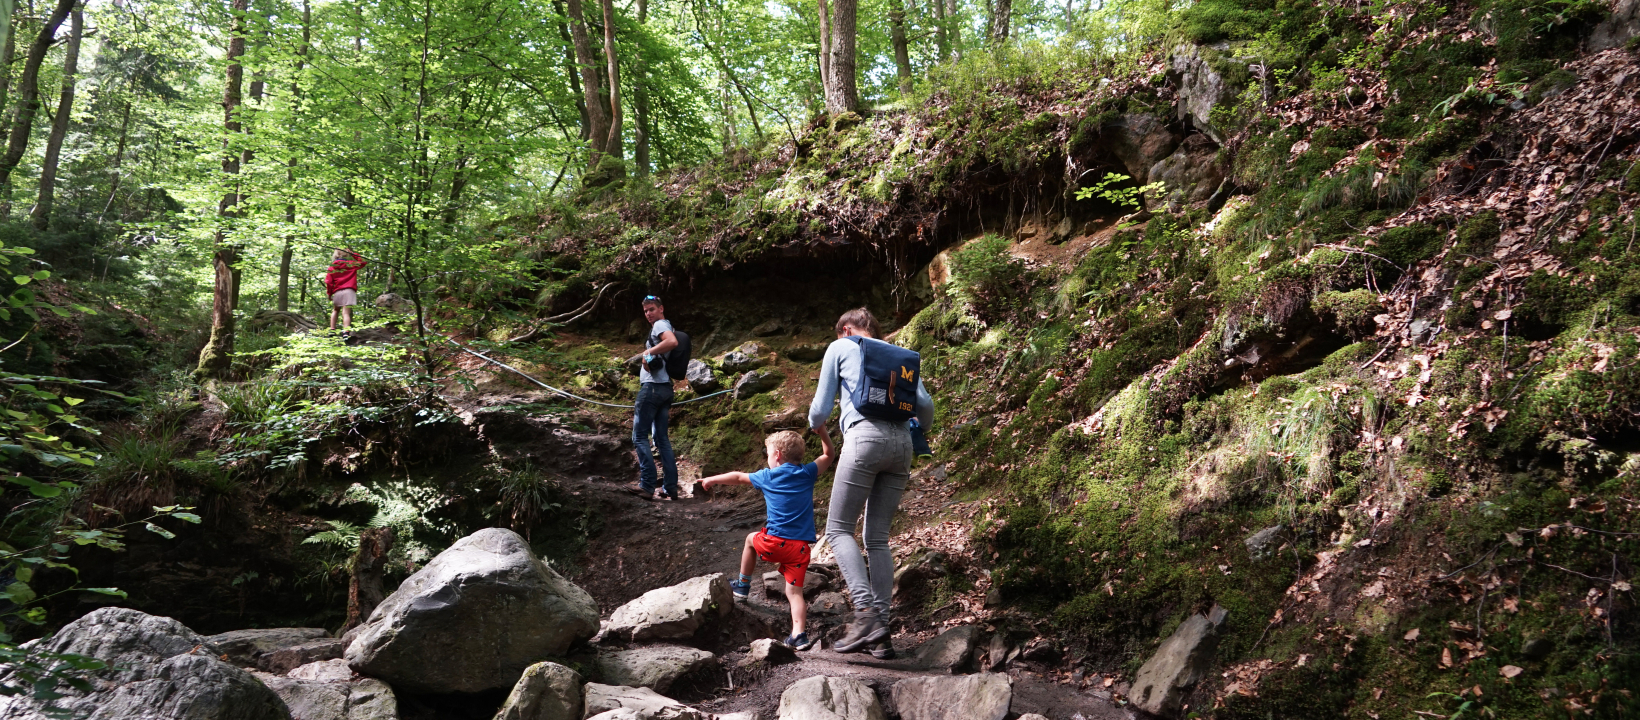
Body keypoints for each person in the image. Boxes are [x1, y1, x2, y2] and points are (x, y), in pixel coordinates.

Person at [809, 307, 933, 658]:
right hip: (903, 447)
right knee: (877, 538)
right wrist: (916, 433)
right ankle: (881, 632)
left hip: (863, 440)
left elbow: (820, 410)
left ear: (845, 330)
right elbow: (925, 406)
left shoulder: (841, 347)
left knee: (838, 530)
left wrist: (814, 425)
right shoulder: (902, 356)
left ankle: (865, 615)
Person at [699, 429, 834, 651]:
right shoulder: (807, 473)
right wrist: (822, 433)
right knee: (795, 592)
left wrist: (713, 479)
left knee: (751, 539)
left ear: (778, 455)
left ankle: (742, 586)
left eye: (769, 454)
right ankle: (799, 634)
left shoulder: (768, 476)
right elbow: (828, 455)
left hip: (773, 544)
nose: (768, 458)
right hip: (800, 549)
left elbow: (738, 477)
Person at [627, 295, 680, 501]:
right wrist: (650, 358)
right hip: (665, 388)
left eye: (651, 309)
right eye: (646, 311)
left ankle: (647, 486)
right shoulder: (666, 326)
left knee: (639, 436)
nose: (648, 314)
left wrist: (647, 352)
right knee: (661, 439)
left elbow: (672, 342)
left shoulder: (660, 325)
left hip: (652, 389)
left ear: (661, 309)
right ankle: (670, 488)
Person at [324, 248, 367, 332]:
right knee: (346, 312)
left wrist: (329, 293)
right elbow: (363, 262)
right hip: (349, 291)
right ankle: (346, 332)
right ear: (346, 254)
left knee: (335, 310)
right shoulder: (351, 264)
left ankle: (332, 330)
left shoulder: (332, 267)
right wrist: (353, 254)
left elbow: (329, 282)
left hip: (337, 291)